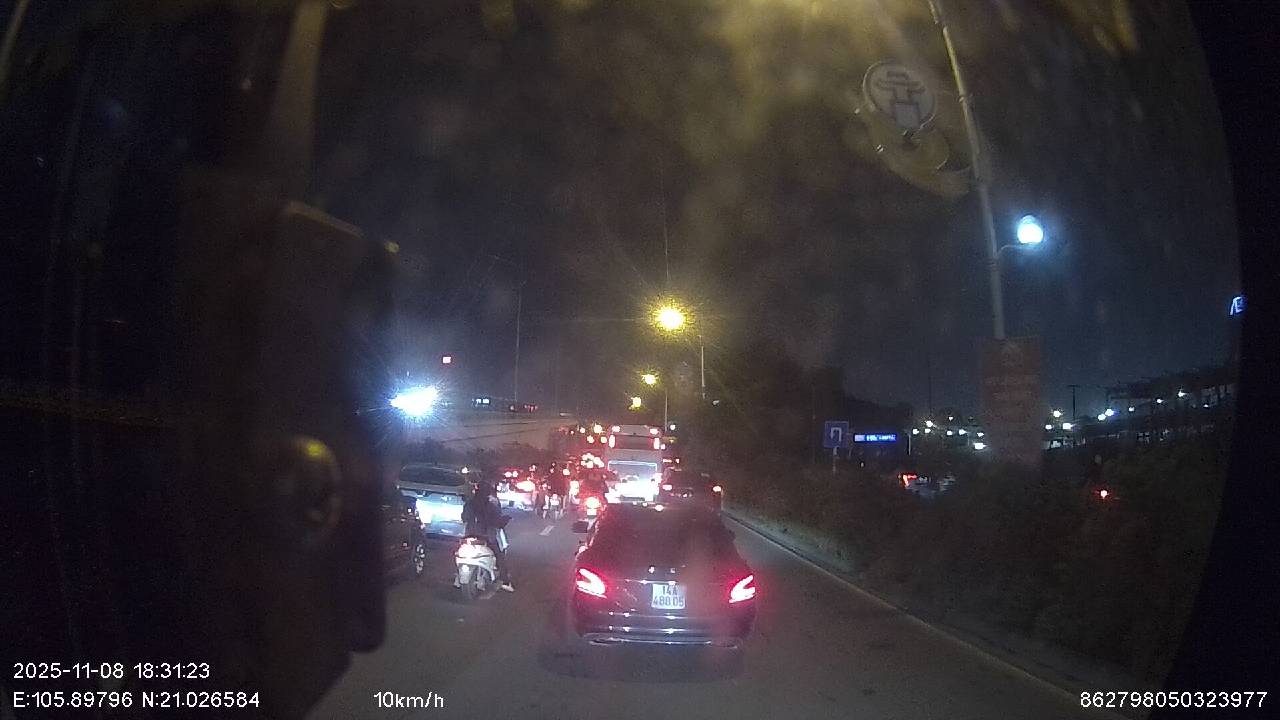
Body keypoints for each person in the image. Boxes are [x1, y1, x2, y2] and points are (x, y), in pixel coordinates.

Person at [461, 481, 514, 592]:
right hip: (486, 537)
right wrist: (506, 519)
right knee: (499, 556)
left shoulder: (469, 503)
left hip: (469, 535)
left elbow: (464, 518)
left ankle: (458, 578)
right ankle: (505, 581)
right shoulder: (490, 505)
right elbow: (497, 522)